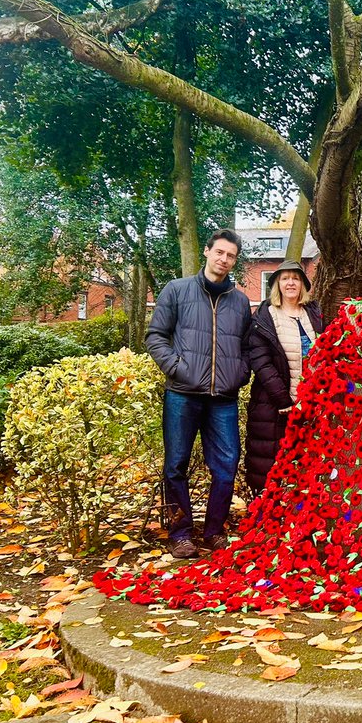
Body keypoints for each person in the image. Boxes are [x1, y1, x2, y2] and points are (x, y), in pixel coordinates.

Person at [146, 228, 252, 559]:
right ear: (207, 251)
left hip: (223, 398)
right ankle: (180, 534)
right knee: (175, 464)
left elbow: (247, 347)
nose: (224, 259)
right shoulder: (177, 290)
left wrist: (239, 373)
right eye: (219, 252)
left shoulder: (240, 302)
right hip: (183, 393)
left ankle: (214, 531)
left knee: (227, 464)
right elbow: (155, 336)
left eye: (230, 255)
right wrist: (178, 368)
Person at [244, 260, 325, 494]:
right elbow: (261, 361)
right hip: (275, 406)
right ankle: (266, 510)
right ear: (277, 284)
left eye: (296, 278)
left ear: (303, 284)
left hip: (309, 405)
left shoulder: (313, 314)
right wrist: (283, 400)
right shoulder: (265, 316)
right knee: (270, 463)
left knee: (304, 465)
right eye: (285, 278)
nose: (291, 283)